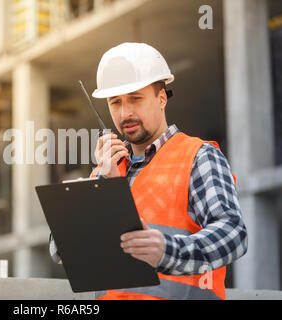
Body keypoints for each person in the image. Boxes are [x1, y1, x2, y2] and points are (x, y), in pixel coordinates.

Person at [49, 42, 248, 300]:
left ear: (161, 98)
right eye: (115, 102)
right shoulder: (107, 168)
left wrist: (168, 250)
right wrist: (102, 185)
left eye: (135, 98)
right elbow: (60, 250)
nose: (125, 113)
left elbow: (233, 233)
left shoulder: (198, 156)